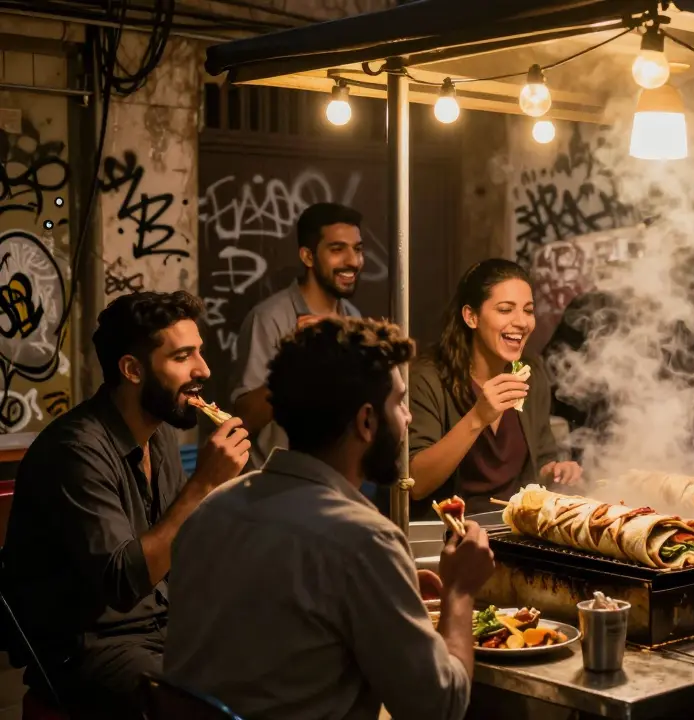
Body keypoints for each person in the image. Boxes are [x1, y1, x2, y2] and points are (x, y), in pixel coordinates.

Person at [165, 317, 491, 719]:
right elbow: (439, 708)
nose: (407, 418)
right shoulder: (363, 540)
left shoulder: (212, 510)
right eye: (399, 402)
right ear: (366, 421)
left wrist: (394, 589)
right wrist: (460, 592)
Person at [0, 291, 249, 718]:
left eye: (200, 353)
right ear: (132, 370)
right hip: (91, 650)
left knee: (281, 662)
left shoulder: (160, 433)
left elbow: (180, 547)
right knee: (208, 706)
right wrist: (203, 483)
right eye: (182, 356)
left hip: (164, 627)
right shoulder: (75, 451)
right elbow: (122, 583)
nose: (203, 370)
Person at [404, 259, 582, 517]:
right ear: (471, 316)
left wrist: (554, 471)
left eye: (528, 310)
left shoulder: (531, 373)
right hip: (449, 536)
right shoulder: (427, 378)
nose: (521, 322)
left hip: (514, 531)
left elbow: (541, 460)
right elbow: (416, 483)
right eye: (505, 309)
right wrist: (478, 417)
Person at [230, 202, 365, 469]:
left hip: (336, 483)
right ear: (308, 256)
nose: (353, 261)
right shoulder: (269, 318)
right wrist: (297, 361)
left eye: (357, 249)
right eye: (337, 249)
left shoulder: (354, 318)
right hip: (276, 489)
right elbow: (241, 420)